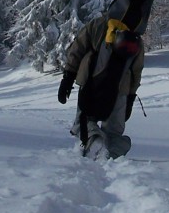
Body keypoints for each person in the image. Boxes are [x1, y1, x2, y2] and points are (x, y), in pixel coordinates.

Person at [57, 15, 144, 158]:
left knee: (83, 122)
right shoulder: (135, 34)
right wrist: (130, 97)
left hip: (89, 82)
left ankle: (94, 141)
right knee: (114, 131)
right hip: (121, 89)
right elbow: (136, 70)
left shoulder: (98, 24)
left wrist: (68, 78)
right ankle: (111, 156)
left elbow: (77, 49)